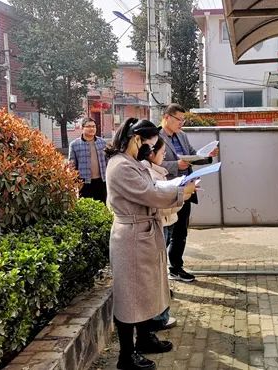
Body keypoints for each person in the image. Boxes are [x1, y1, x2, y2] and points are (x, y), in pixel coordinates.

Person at [105, 118, 196, 370]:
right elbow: (150, 194)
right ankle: (126, 356)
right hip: (131, 237)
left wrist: (177, 188)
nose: (151, 150)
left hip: (143, 233)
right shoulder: (121, 166)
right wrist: (182, 192)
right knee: (130, 296)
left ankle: (144, 339)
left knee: (146, 290)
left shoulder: (132, 162)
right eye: (150, 144)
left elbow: (153, 187)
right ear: (137, 139)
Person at [159, 103, 218, 283]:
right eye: (179, 119)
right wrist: (175, 165)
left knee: (181, 231)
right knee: (165, 232)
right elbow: (151, 163)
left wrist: (207, 155)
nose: (181, 123)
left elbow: (192, 155)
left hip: (186, 188)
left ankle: (176, 268)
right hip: (167, 189)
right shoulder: (155, 137)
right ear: (167, 117)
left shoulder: (182, 136)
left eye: (183, 120)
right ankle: (158, 270)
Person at [140, 137, 181, 330]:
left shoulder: (155, 170)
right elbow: (158, 203)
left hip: (167, 222)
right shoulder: (147, 172)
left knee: (160, 270)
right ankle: (158, 318)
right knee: (157, 272)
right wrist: (180, 195)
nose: (164, 156)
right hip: (160, 224)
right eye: (162, 153)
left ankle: (160, 316)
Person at [68, 117, 107, 203]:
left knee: (102, 206)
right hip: (84, 182)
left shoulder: (102, 143)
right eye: (88, 126)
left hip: (101, 181)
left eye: (93, 126)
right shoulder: (74, 144)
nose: (92, 128)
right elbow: (72, 165)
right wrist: (74, 181)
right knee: (86, 205)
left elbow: (107, 161)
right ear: (82, 128)